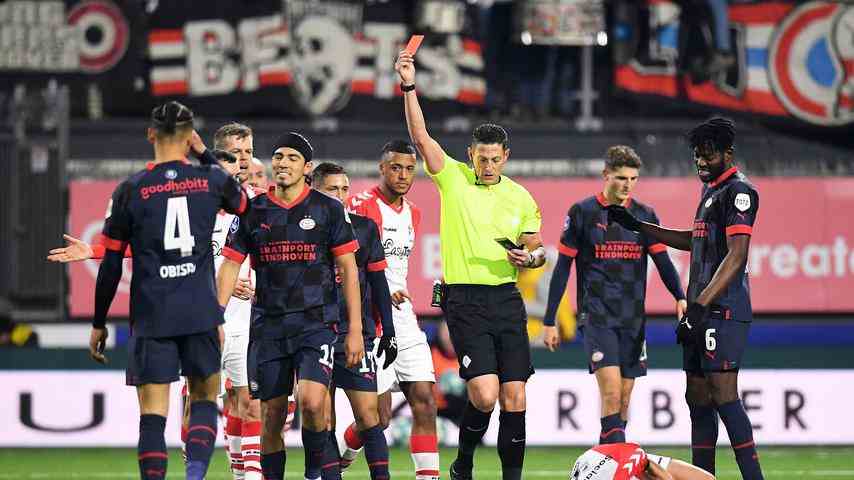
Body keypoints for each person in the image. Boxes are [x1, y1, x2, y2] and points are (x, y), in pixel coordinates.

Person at [47, 147, 262, 480]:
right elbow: (150, 247)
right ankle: (196, 472)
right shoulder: (194, 206)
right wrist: (94, 250)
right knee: (196, 404)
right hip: (201, 317)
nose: (236, 167)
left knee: (248, 400)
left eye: (241, 159)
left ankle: (245, 476)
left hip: (243, 318)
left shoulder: (250, 209)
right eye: (229, 161)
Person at [395, 50, 546, 480]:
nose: (487, 165)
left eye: (495, 158)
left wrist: (528, 257)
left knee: (515, 397)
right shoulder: (454, 178)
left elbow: (538, 250)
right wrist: (409, 84)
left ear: (506, 156)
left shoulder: (520, 197)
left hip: (506, 298)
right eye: (481, 157)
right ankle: (463, 463)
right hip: (464, 300)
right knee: (484, 394)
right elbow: (421, 136)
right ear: (470, 154)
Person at [88, 101, 248, 480]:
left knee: (153, 416)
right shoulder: (211, 180)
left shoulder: (130, 189)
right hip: (200, 311)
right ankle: (194, 476)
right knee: (206, 398)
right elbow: (243, 204)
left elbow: (111, 265)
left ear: (150, 135)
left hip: (152, 313)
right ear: (190, 136)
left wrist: (98, 322)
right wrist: (205, 154)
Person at [607, 117, 764, 479]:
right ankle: (701, 477)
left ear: (728, 153)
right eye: (697, 156)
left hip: (723, 310)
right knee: (697, 398)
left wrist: (698, 307)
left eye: (708, 156)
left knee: (724, 394)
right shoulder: (709, 192)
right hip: (701, 311)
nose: (701, 163)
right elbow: (692, 240)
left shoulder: (740, 192)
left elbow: (736, 255)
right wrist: (638, 226)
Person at [216, 132, 365, 480]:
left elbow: (348, 269)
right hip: (269, 326)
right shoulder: (251, 210)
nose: (282, 163)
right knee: (271, 416)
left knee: (314, 403)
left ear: (307, 167)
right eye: (278, 156)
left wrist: (354, 328)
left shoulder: (327, 209)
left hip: (317, 324)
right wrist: (214, 316)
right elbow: (230, 265)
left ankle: (314, 472)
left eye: (292, 158)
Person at [543, 146, 687, 444]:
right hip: (597, 316)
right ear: (605, 175)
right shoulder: (582, 213)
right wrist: (549, 320)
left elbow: (663, 262)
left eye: (633, 179)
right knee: (610, 392)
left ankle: (607, 460)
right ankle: (614, 468)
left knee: (622, 399)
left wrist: (680, 296)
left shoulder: (644, 216)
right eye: (621, 177)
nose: (627, 185)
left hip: (633, 319)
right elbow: (562, 269)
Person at [341, 140, 440, 480]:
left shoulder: (414, 212)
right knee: (378, 418)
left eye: (409, 168)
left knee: (426, 401)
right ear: (382, 168)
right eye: (395, 167)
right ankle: (344, 452)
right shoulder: (360, 207)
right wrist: (380, 291)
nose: (403, 175)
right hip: (374, 319)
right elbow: (348, 265)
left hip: (406, 319)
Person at [311, 162, 397, 480]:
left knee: (369, 416)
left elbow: (378, 283)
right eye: (332, 189)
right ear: (315, 190)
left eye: (345, 189)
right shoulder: (302, 230)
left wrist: (387, 331)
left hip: (354, 334)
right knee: (323, 419)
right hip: (312, 335)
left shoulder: (363, 228)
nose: (340, 195)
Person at [570, 443, 715, 480]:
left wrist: (666, 477)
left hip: (610, 455)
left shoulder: (634, 459)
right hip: (593, 469)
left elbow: (641, 456)